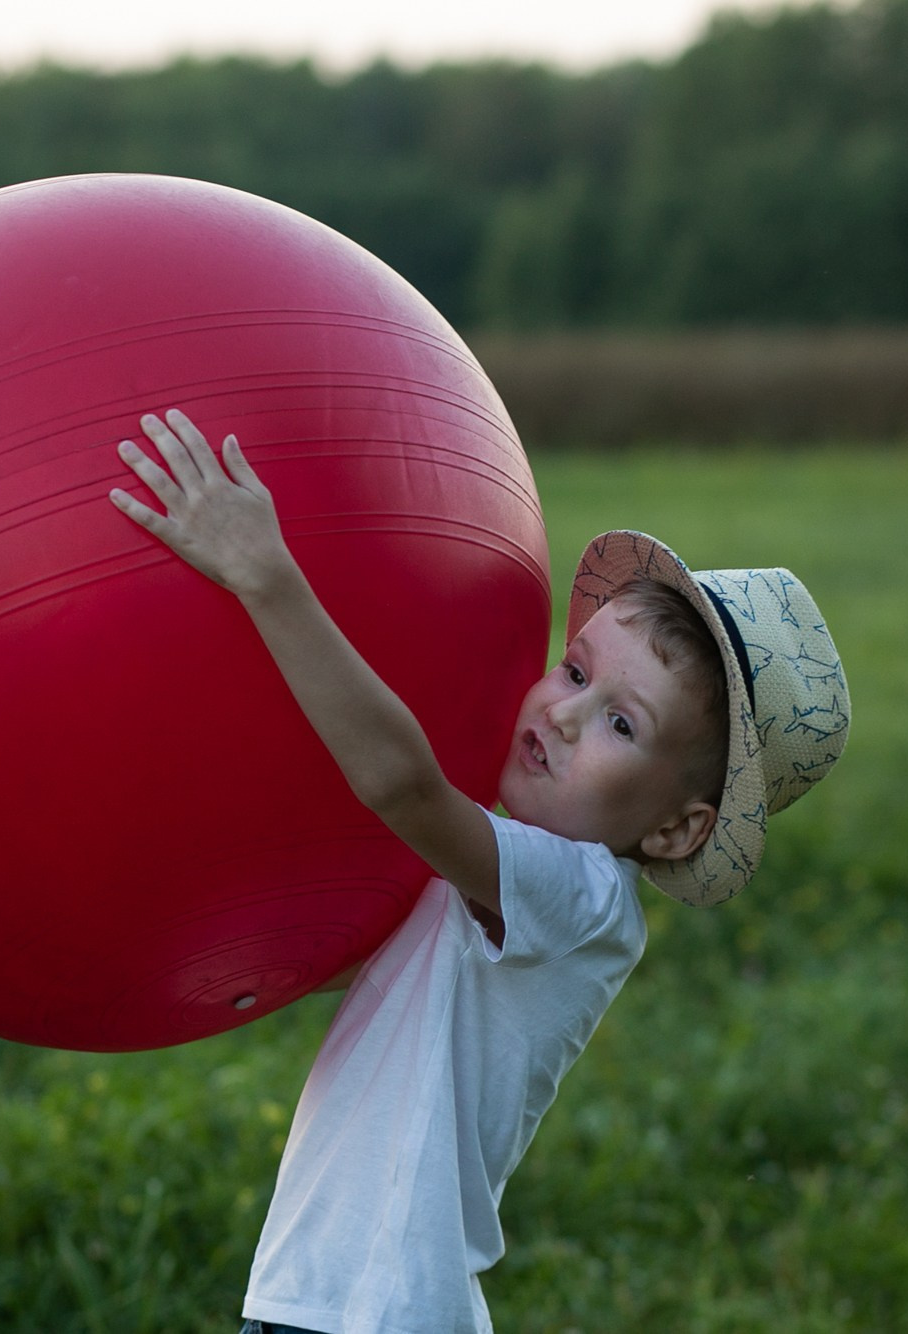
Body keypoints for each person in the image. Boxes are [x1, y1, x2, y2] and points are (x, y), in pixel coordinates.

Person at [110, 409, 851, 1334]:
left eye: (624, 725)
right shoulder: (506, 884)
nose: (569, 716)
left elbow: (400, 783)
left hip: (371, 1313)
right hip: (337, 1303)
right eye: (576, 673)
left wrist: (268, 577)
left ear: (674, 830)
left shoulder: (578, 897)